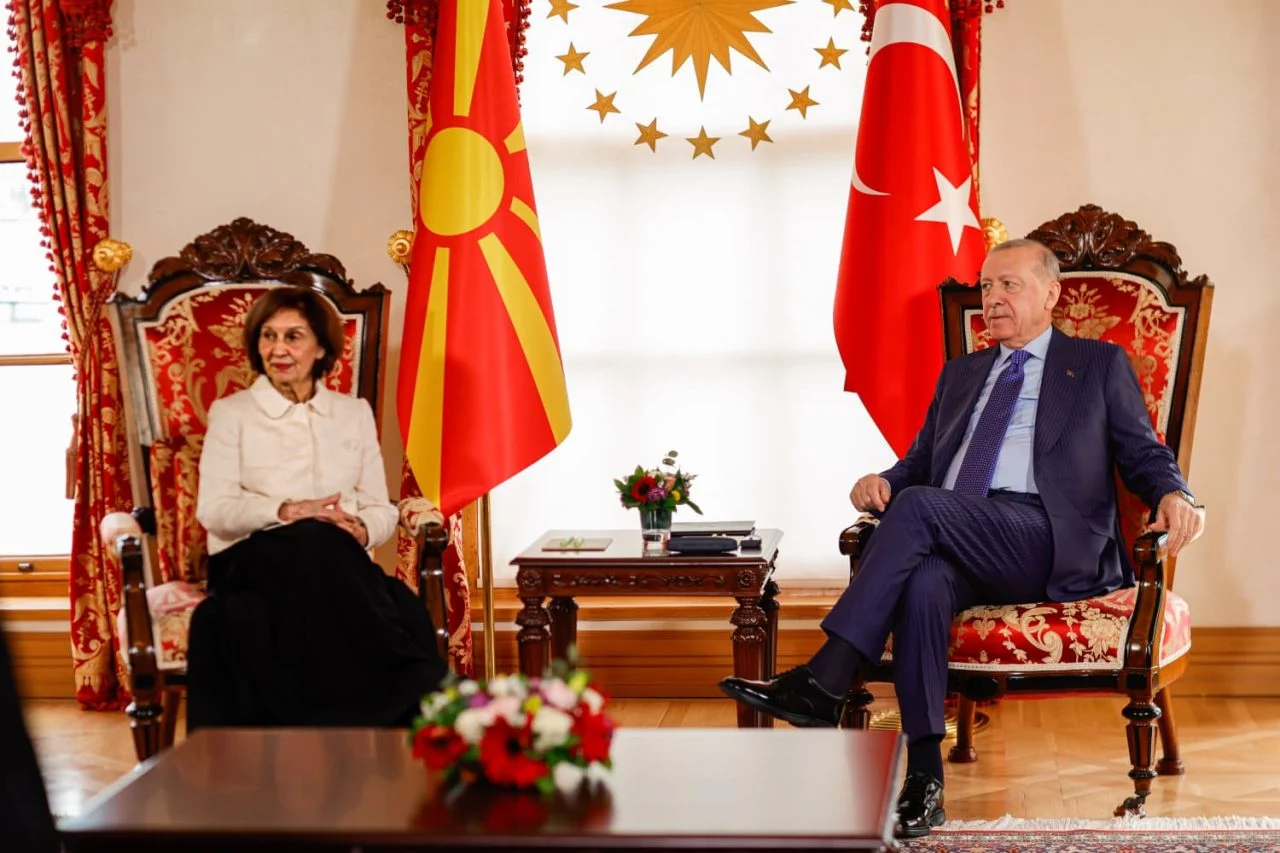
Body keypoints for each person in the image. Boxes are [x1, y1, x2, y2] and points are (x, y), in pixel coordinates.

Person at [720, 239, 1205, 838]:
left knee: (921, 509)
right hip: (957, 530)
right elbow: (921, 464)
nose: (992, 298)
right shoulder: (962, 373)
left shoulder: (1098, 365)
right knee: (923, 584)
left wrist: (1175, 494)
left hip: (1045, 535)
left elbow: (1144, 452)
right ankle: (925, 781)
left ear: (1051, 294)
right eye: (986, 286)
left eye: (1009, 285)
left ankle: (830, 674)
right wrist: (884, 481)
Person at [187, 286, 447, 731]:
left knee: (383, 588)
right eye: (268, 336)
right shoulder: (232, 413)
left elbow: (380, 507)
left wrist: (360, 529)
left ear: (322, 347)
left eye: (293, 336)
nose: (278, 349)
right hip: (251, 560)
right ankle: (422, 686)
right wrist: (287, 511)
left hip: (339, 564)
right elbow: (215, 511)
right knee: (317, 538)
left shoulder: (353, 413)